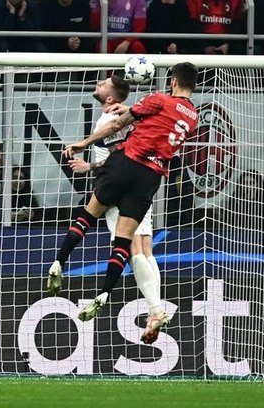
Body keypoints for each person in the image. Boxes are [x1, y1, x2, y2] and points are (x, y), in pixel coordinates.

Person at [47, 62, 199, 343]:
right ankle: (147, 306)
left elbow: (120, 126)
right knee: (138, 247)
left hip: (125, 166)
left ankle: (59, 261)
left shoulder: (157, 99)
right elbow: (155, 127)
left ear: (174, 81)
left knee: (97, 223)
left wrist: (83, 146)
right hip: (151, 178)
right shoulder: (193, 118)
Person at [57, 74, 167, 344]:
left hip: (119, 187)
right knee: (145, 247)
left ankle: (156, 308)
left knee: (132, 249)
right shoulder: (134, 116)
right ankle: (156, 309)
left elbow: (116, 157)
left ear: (109, 97)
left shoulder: (108, 120)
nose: (98, 83)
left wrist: (88, 165)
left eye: (103, 83)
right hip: (143, 180)